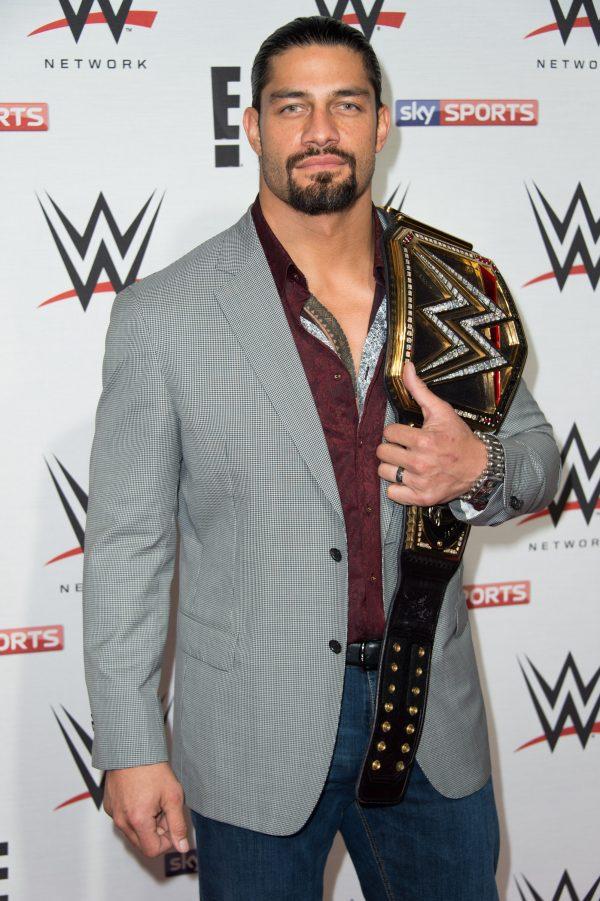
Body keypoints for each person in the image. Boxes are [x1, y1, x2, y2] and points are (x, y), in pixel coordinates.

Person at [82, 15, 561, 901]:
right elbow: (126, 546)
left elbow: (538, 459)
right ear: (253, 126)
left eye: (345, 104)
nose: (320, 131)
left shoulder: (455, 284)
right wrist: (131, 745)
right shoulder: (163, 314)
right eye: (292, 106)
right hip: (251, 728)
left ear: (382, 124)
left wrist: (480, 469)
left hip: (431, 721)